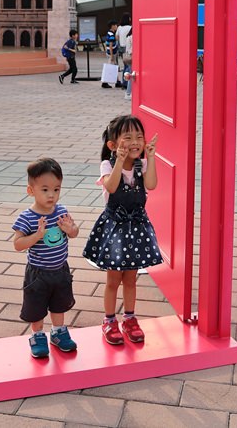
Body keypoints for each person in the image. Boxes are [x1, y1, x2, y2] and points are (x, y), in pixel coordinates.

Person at [83, 115, 162, 346]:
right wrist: (119, 161)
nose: (135, 141)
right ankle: (109, 320)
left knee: (131, 279)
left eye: (139, 136)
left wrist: (152, 156)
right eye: (128, 137)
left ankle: (130, 318)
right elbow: (111, 186)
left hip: (136, 228)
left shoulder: (142, 164)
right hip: (115, 230)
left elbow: (152, 185)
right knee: (113, 279)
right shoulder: (107, 165)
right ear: (113, 145)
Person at [12, 157, 80, 358]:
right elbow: (17, 244)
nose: (52, 195)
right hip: (38, 273)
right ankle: (38, 335)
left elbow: (74, 232)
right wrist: (37, 236)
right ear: (30, 190)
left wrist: (71, 229)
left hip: (60, 270)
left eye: (56, 189)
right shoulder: (27, 217)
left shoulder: (61, 211)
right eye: (45, 190)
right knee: (37, 306)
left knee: (59, 303)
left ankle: (58, 332)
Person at [116, 13, 132, 88]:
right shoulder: (130, 27)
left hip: (121, 48)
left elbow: (117, 37)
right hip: (128, 48)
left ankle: (124, 82)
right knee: (128, 66)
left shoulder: (119, 28)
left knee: (125, 65)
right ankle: (126, 83)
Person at [101, 20, 118, 89]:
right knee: (109, 68)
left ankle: (118, 81)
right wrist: (111, 55)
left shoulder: (110, 33)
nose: (117, 27)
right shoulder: (111, 34)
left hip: (110, 52)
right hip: (111, 53)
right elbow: (110, 45)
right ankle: (104, 83)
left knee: (114, 67)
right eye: (116, 25)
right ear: (113, 26)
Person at [123, 28, 133, 101]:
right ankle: (128, 93)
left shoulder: (128, 37)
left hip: (132, 58)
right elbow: (129, 50)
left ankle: (129, 92)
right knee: (131, 75)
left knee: (131, 75)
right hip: (132, 58)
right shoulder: (131, 37)